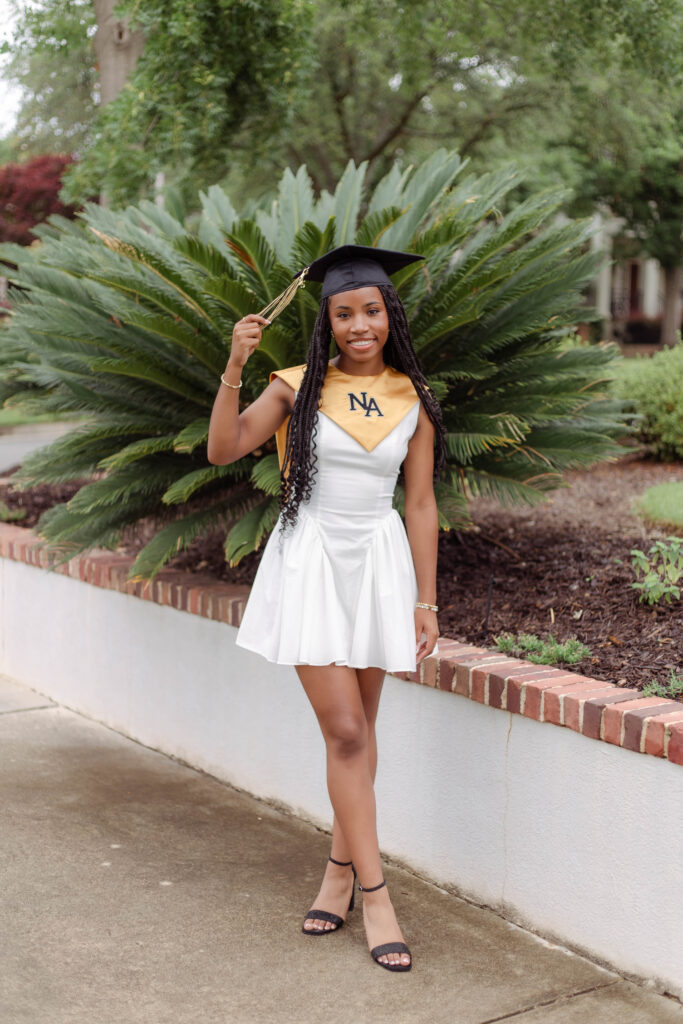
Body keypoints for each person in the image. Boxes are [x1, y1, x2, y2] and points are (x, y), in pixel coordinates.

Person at [207, 244, 446, 972]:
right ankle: (377, 897)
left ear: (389, 314)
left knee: (361, 733)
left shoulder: (412, 398)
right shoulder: (296, 387)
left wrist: (427, 600)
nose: (358, 325)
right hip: (311, 558)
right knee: (344, 731)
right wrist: (235, 366)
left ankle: (337, 873)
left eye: (371, 310)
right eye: (343, 314)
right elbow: (223, 448)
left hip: (377, 562)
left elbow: (420, 503)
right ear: (328, 323)